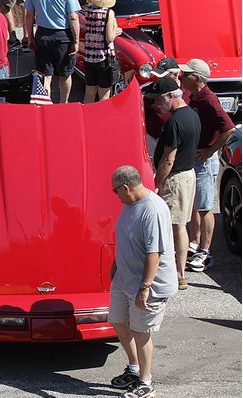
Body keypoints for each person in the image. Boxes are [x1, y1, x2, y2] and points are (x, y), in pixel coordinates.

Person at [108, 165, 178, 398]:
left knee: (141, 332)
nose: (115, 196)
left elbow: (154, 253)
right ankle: (134, 367)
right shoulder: (130, 204)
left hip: (148, 285)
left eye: (115, 191)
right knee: (118, 321)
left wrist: (145, 288)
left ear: (125, 187)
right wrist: (116, 266)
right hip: (124, 280)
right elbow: (124, 237)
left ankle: (146, 382)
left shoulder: (152, 209)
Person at [179, 59, 234, 273]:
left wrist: (211, 151)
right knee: (194, 204)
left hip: (204, 160)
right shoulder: (193, 96)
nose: (184, 77)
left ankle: (205, 252)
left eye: (188, 74)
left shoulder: (209, 100)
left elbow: (228, 129)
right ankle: (195, 242)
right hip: (194, 157)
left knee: (204, 207)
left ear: (198, 78)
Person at [147, 75, 201, 290]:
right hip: (188, 175)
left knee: (173, 227)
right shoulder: (192, 115)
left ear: (171, 96)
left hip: (175, 179)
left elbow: (168, 158)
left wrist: (157, 182)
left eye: (159, 100)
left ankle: (177, 274)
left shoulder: (175, 122)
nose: (156, 105)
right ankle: (178, 271)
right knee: (181, 226)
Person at [23, 0, 81, 103]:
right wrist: (76, 40)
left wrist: (30, 37)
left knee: (46, 75)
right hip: (63, 35)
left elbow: (29, 15)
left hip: (42, 34)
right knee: (65, 74)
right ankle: (63, 103)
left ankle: (46, 104)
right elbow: (73, 17)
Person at [82, 0, 122, 103]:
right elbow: (109, 37)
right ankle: (100, 118)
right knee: (104, 93)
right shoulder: (108, 13)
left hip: (88, 56)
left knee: (89, 92)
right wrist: (116, 31)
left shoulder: (87, 10)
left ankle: (87, 116)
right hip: (103, 57)